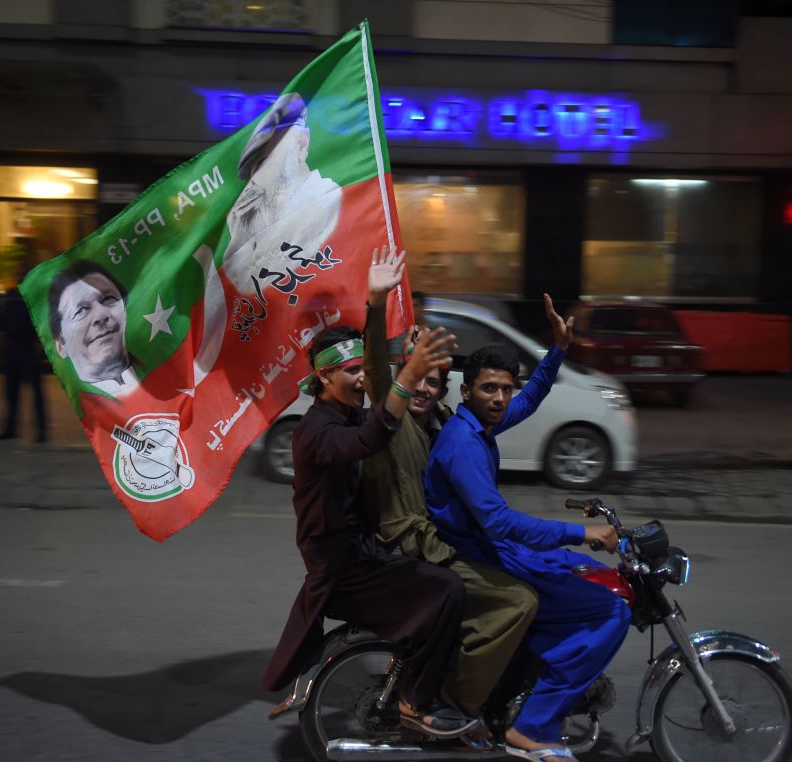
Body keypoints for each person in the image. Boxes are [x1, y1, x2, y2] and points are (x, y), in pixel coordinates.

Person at [262, 250, 475, 737]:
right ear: (323, 377)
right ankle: (414, 700)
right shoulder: (315, 432)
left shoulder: (351, 412)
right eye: (351, 373)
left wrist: (390, 326)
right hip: (344, 569)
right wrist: (395, 357)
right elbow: (370, 436)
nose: (362, 380)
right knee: (448, 589)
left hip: (366, 552)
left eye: (362, 370)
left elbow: (387, 400)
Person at [424, 295, 629, 762]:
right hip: (479, 552)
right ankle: (533, 723)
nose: (500, 398)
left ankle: (527, 679)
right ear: (466, 391)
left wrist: (557, 350)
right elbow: (498, 521)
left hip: (491, 545)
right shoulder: (464, 445)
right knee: (609, 610)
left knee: (580, 572)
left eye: (505, 389)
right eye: (489, 388)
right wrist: (581, 533)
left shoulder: (479, 424)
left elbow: (532, 396)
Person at [359, 249, 538, 734]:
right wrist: (377, 304)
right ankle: (460, 705)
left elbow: (513, 407)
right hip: (413, 549)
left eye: (433, 382)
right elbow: (378, 373)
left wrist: (558, 355)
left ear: (445, 393)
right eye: (415, 378)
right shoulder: (391, 425)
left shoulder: (441, 425)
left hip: (443, 542)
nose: (422, 388)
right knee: (518, 601)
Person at [221, 92, 343, 294]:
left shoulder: (327, 199)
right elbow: (239, 288)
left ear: (302, 145)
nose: (258, 180)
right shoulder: (250, 214)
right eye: (255, 168)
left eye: (267, 161)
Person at [47, 260, 138, 396]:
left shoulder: (163, 374)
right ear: (61, 344)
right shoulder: (86, 408)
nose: (100, 315)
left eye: (108, 299)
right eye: (80, 310)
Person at [0, 262, 48, 442]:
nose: (20, 278)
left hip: (28, 348)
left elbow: (43, 324)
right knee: (10, 392)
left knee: (36, 392)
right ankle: (10, 429)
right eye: (19, 275)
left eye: (23, 274)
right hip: (11, 348)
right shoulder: (10, 296)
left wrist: (40, 345)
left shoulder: (35, 297)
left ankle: (41, 431)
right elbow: (0, 323)